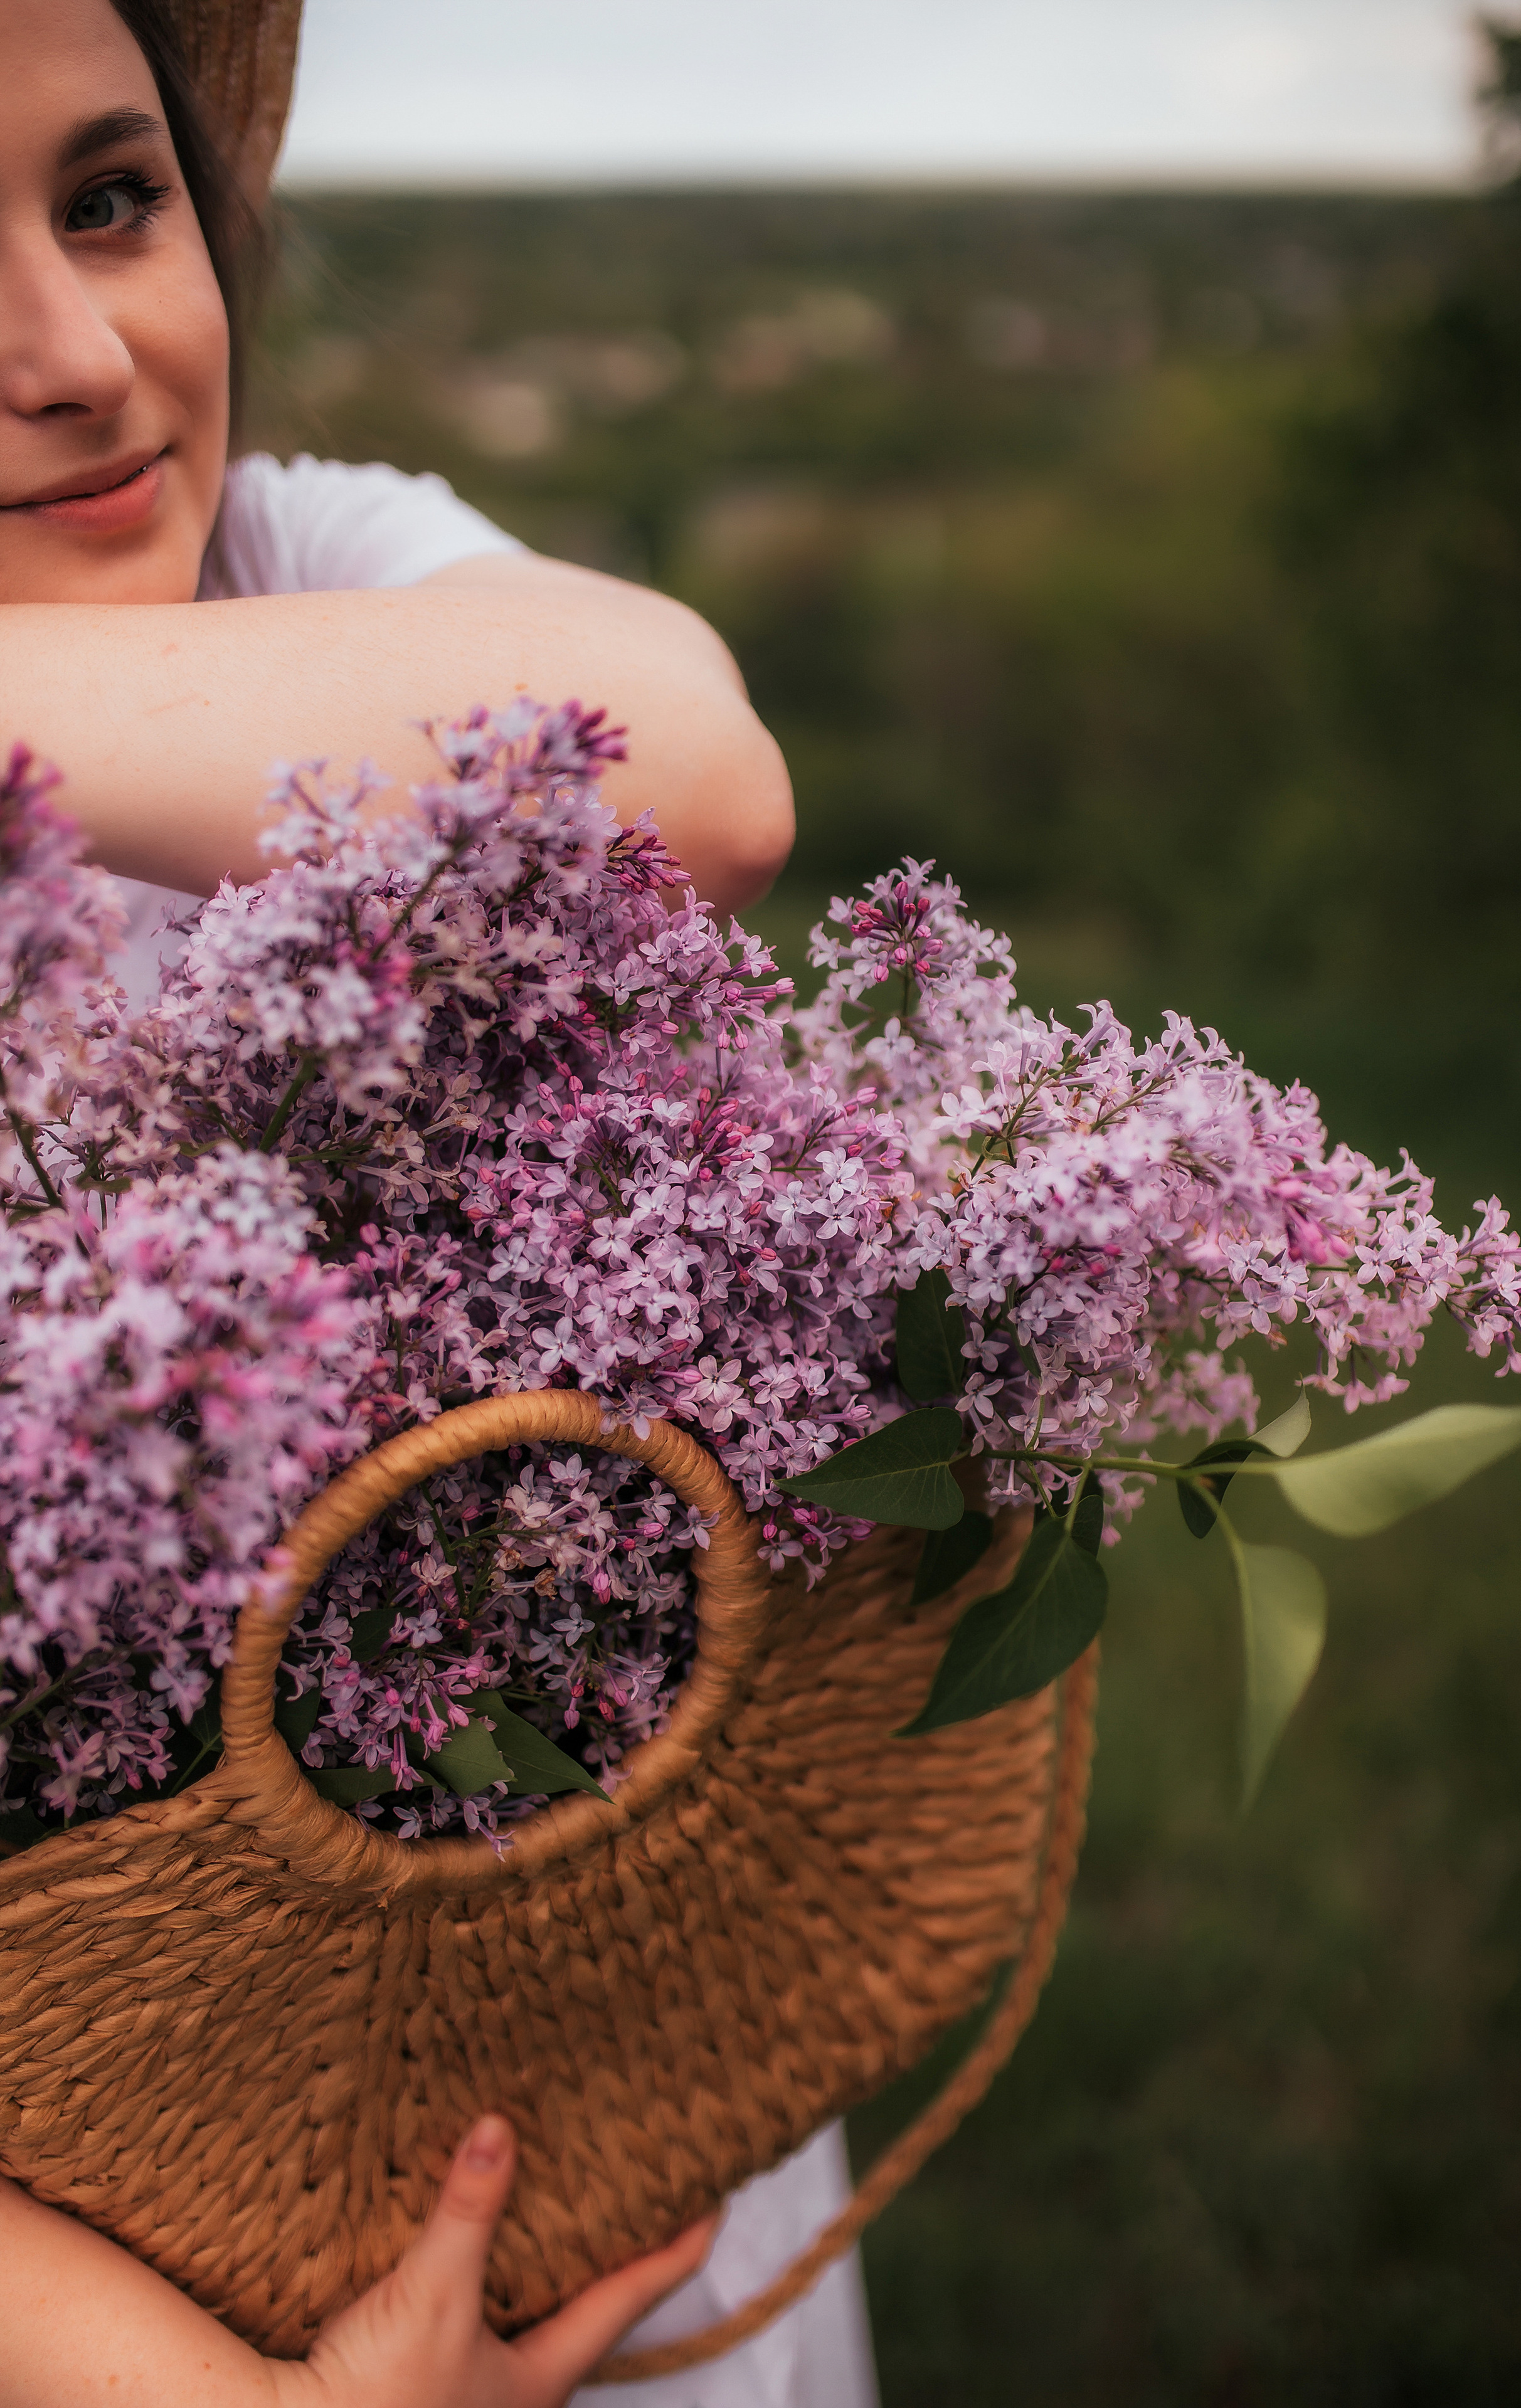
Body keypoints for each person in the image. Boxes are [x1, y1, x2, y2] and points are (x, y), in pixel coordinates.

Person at [0, 2, 878, 2404]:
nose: (78, 358)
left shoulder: (304, 556)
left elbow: (689, 769)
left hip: (633, 2091)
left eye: (108, 198)